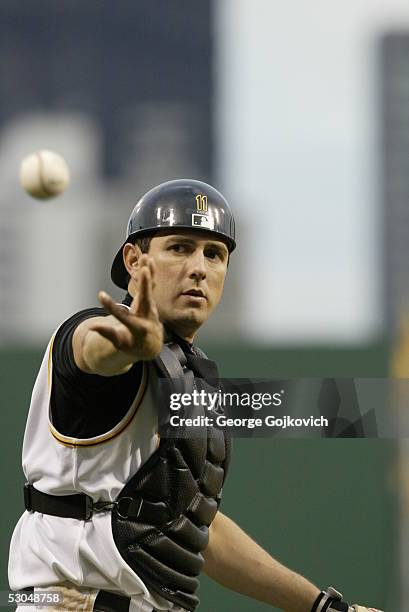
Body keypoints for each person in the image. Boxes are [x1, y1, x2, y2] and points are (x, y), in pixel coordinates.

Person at [8, 179, 381, 612]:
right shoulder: (100, 332)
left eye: (214, 253)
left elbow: (192, 525)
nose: (199, 267)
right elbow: (95, 351)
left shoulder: (185, 370)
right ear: (134, 259)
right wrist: (128, 344)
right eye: (180, 247)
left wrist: (321, 606)